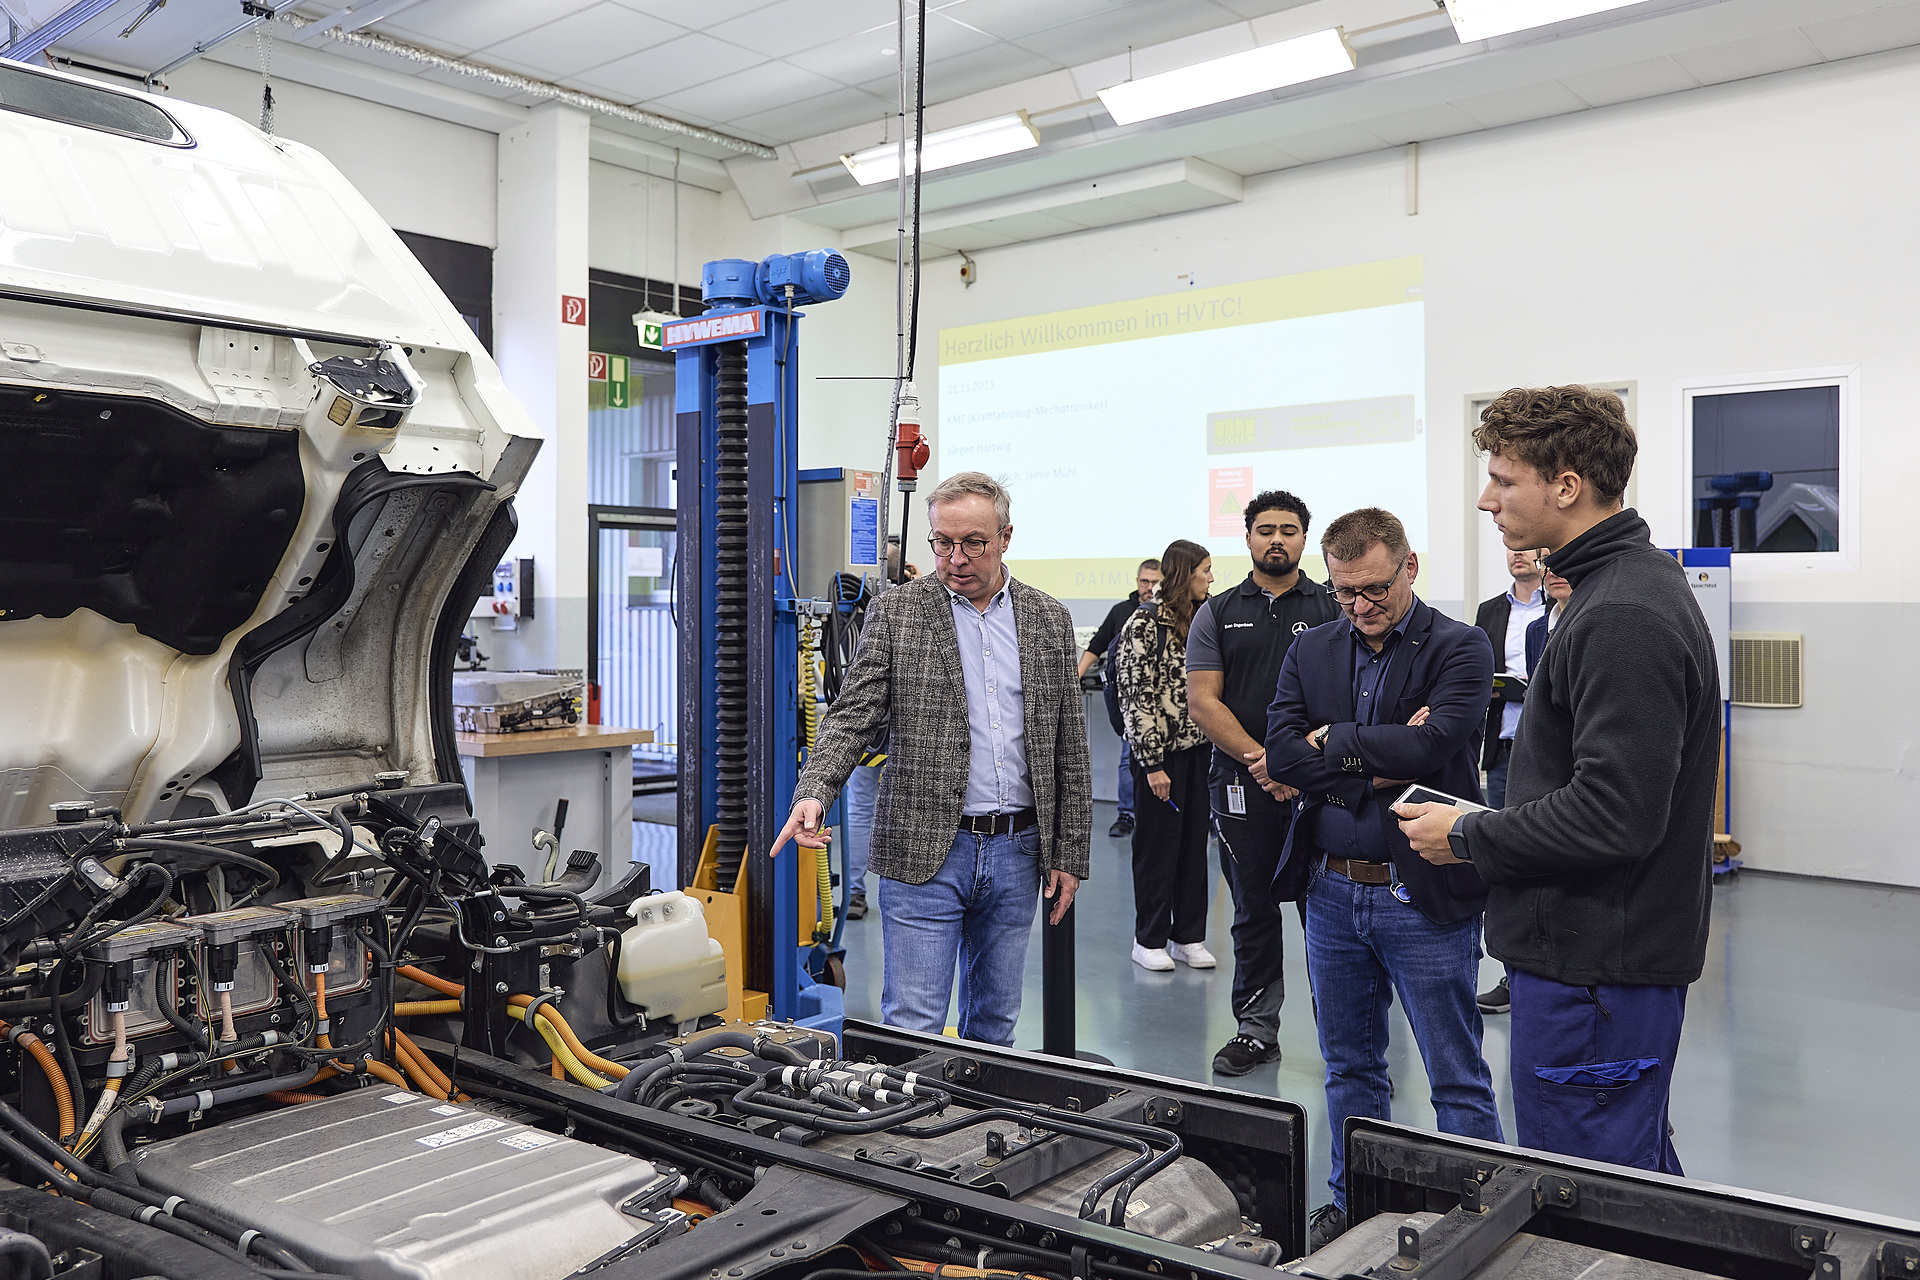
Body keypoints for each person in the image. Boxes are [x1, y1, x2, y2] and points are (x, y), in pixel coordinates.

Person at [1398, 385, 1720, 1177]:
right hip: (1587, 965)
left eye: (1504, 480)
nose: (1486, 499)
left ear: (1566, 485)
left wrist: (1469, 834)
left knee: (1586, 1199)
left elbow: (1618, 814)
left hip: (1595, 975)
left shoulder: (1622, 614)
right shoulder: (1609, 590)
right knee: (1624, 1171)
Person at [773, 471, 1091, 1045]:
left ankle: (984, 1133)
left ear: (1006, 537)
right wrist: (814, 791)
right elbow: (853, 714)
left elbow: (1070, 745)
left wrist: (1069, 851)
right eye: (942, 542)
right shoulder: (899, 612)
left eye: (973, 542)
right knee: (913, 1024)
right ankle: (910, 1139)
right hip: (922, 850)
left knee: (994, 1024)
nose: (955, 558)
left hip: (1018, 853)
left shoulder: (1049, 619)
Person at [1264, 507, 1501, 1250]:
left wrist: (1330, 741)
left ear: (1410, 567)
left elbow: (1438, 745)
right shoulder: (1312, 651)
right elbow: (1280, 754)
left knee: (1454, 1073)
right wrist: (1381, 753)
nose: (1361, 608)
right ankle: (1354, 1200)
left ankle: (1479, 1210)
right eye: (1344, 593)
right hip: (1331, 893)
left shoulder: (1461, 647)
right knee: (1349, 1069)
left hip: (1422, 895)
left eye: (1373, 589)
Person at [1185, 491, 1339, 1075]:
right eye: (1265, 529)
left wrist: (1295, 763)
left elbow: (1351, 697)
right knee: (1252, 908)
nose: (1277, 539)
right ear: (1247, 538)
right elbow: (1203, 701)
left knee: (1326, 910)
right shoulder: (1218, 611)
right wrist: (1263, 761)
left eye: (1290, 530)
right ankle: (1256, 1031)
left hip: (1322, 783)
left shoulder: (1332, 606)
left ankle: (1343, 1038)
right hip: (1241, 783)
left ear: (1305, 539)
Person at [1113, 540, 1216, 973]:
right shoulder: (1144, 624)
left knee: (1194, 848)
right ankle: (1149, 938)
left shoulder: (1204, 621)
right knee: (1158, 850)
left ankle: (1188, 936)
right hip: (1160, 758)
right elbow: (1135, 696)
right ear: (1184, 573)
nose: (1211, 579)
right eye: (1205, 571)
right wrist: (1152, 763)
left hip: (1199, 754)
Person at [1079, 560, 1164, 838]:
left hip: (1165, 703)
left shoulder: (1166, 612)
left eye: (1154, 582)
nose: (1149, 588)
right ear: (1137, 580)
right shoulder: (1122, 612)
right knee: (1129, 756)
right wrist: (1075, 677)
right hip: (1130, 702)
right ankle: (1126, 814)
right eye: (1144, 582)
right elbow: (1097, 644)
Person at [1473, 548, 1548, 810]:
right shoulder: (1489, 610)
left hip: (1546, 746)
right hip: (1503, 743)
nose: (1517, 554)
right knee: (1496, 828)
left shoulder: (1559, 604)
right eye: (1511, 549)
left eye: (1525, 548)